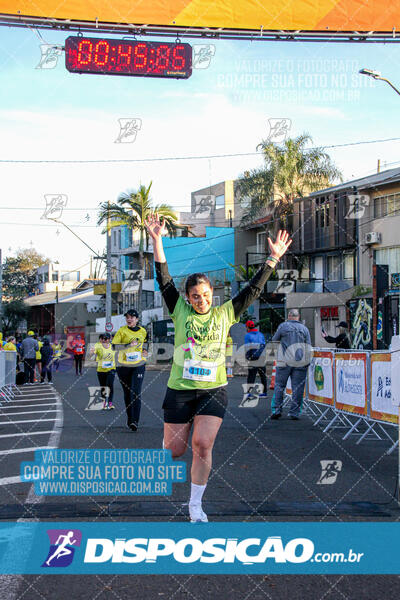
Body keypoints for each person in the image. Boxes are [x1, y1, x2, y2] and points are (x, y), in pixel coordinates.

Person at [145, 214, 291, 522]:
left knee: (202, 444)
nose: (201, 300)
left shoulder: (225, 313)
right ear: (187, 298)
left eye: (206, 295)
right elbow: (164, 279)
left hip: (213, 389)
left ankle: (195, 504)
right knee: (174, 451)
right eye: (195, 296)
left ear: (213, 295)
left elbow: (252, 290)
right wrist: (158, 242)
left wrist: (273, 260)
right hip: (180, 390)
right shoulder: (179, 310)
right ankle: (168, 444)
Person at [271, 309, 312, 421]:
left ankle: (277, 410)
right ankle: (294, 413)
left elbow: (274, 339)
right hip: (300, 362)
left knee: (279, 386)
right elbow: (308, 346)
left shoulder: (283, 326)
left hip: (284, 361)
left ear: (289, 316)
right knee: (297, 388)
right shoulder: (304, 329)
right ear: (298, 317)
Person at [112, 309, 148, 430]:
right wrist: (128, 345)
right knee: (128, 394)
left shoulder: (143, 331)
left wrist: (145, 350)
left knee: (135, 392)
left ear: (137, 319)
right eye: (127, 317)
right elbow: (114, 346)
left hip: (138, 365)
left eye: (132, 317)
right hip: (123, 366)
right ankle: (130, 418)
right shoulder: (122, 331)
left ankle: (135, 421)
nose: (129, 319)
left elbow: (146, 342)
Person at [244, 320, 267, 398]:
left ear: (247, 327)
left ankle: (248, 393)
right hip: (262, 357)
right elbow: (264, 345)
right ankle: (264, 393)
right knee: (263, 375)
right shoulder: (260, 334)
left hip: (253, 357)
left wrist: (247, 358)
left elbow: (247, 348)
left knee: (251, 376)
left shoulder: (248, 335)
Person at [94, 333, 116, 410]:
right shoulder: (98, 346)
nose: (105, 340)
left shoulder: (113, 346)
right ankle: (104, 403)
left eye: (106, 339)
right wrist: (92, 352)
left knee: (110, 386)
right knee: (103, 387)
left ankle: (110, 403)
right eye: (103, 339)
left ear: (109, 339)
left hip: (111, 369)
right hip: (101, 370)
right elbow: (92, 353)